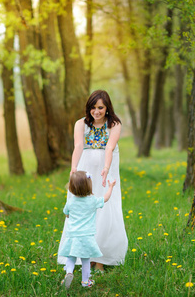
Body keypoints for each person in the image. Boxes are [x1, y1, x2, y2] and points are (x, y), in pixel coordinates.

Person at [58, 90, 128, 272]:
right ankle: (82, 256)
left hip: (106, 170)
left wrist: (105, 168)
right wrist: (74, 168)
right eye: (92, 108)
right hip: (85, 170)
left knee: (105, 208)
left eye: (100, 108)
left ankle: (101, 259)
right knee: (83, 207)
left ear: (107, 108)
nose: (96, 112)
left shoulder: (114, 124)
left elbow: (110, 147)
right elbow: (79, 146)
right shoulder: (80, 124)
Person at [58, 171, 116, 289]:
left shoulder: (71, 201)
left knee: (71, 257)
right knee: (85, 260)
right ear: (89, 186)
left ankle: (69, 272)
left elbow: (66, 214)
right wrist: (110, 187)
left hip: (72, 235)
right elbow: (105, 198)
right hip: (86, 236)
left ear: (71, 187)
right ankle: (85, 282)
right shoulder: (92, 200)